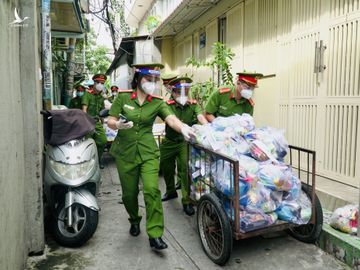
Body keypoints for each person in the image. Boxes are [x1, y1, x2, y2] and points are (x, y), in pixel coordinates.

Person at [107, 63, 195, 251]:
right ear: (138, 78)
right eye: (149, 79)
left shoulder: (157, 102)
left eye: (155, 80)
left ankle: (155, 234)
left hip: (148, 152)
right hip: (125, 152)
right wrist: (117, 126)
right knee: (129, 194)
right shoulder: (123, 97)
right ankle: (134, 219)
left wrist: (184, 128)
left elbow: (171, 119)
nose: (152, 83)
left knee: (151, 190)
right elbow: (111, 120)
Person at [160, 77, 208, 216]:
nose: (183, 95)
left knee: (185, 170)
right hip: (169, 141)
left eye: (186, 92)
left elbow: (200, 116)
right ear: (173, 92)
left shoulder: (193, 104)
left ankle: (186, 201)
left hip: (183, 143)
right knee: (167, 168)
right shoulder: (167, 105)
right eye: (180, 92)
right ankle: (170, 192)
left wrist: (208, 128)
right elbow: (169, 120)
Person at [81, 74, 108, 169]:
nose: (100, 84)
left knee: (103, 141)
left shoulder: (101, 97)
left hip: (97, 122)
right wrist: (86, 124)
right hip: (87, 122)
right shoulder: (87, 94)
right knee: (87, 143)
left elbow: (102, 112)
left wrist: (104, 123)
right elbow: (84, 110)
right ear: (94, 83)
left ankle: (98, 160)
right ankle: (87, 162)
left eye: (102, 83)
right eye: (99, 83)